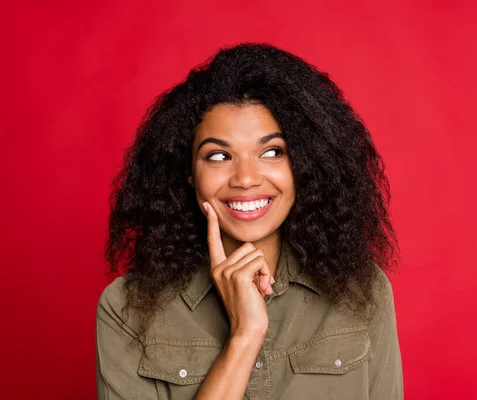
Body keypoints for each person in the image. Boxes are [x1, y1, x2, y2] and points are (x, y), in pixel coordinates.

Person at [96, 42, 403, 400]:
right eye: (219, 155)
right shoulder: (126, 310)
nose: (245, 178)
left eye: (272, 151)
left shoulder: (363, 292)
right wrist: (245, 336)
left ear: (305, 164)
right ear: (189, 173)